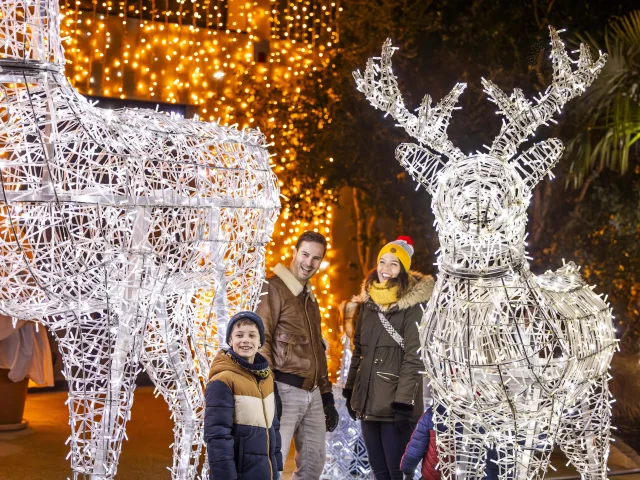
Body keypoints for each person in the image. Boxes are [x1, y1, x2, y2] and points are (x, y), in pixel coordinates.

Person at [344, 236, 434, 480]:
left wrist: (404, 404)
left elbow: (414, 358)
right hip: (369, 405)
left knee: (398, 473)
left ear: (403, 269)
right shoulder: (369, 304)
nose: (386, 269)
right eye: (382, 262)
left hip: (396, 407)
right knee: (380, 472)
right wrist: (351, 389)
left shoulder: (413, 307)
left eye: (394, 264)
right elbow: (359, 350)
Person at [256, 231, 339, 480]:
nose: (309, 263)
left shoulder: (310, 299)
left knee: (313, 466)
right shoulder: (273, 288)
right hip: (284, 389)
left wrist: (326, 396)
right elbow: (262, 341)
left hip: (313, 393)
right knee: (272, 465)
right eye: (305, 254)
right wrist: (269, 391)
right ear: (294, 253)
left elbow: (318, 351)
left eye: (316, 258)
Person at [204, 311, 283, 480]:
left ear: (260, 341)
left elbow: (274, 426)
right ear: (230, 340)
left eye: (252, 335)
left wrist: (277, 466)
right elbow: (217, 436)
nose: (245, 340)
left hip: (266, 472)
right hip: (238, 474)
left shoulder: (267, 378)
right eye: (239, 335)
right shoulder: (223, 380)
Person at [400, 407, 500, 480]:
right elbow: (492, 459)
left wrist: (407, 471)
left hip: (436, 476)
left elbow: (414, 450)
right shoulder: (485, 419)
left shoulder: (432, 414)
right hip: (471, 475)